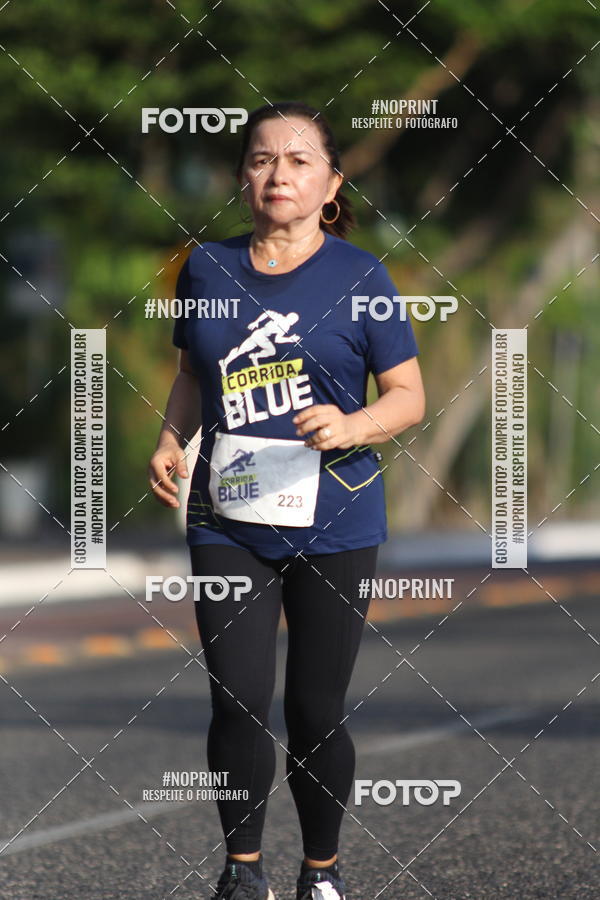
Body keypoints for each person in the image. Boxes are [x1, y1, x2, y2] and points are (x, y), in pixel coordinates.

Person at [148, 101, 425, 900]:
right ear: (243, 176)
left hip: (335, 515)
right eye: (263, 158)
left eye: (300, 161)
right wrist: (171, 440)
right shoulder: (205, 268)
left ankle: (321, 872)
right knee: (236, 698)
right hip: (227, 515)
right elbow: (192, 375)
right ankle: (242, 873)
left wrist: (351, 425)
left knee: (314, 708)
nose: (280, 174)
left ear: (331, 184)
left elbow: (408, 395)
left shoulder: (362, 277)